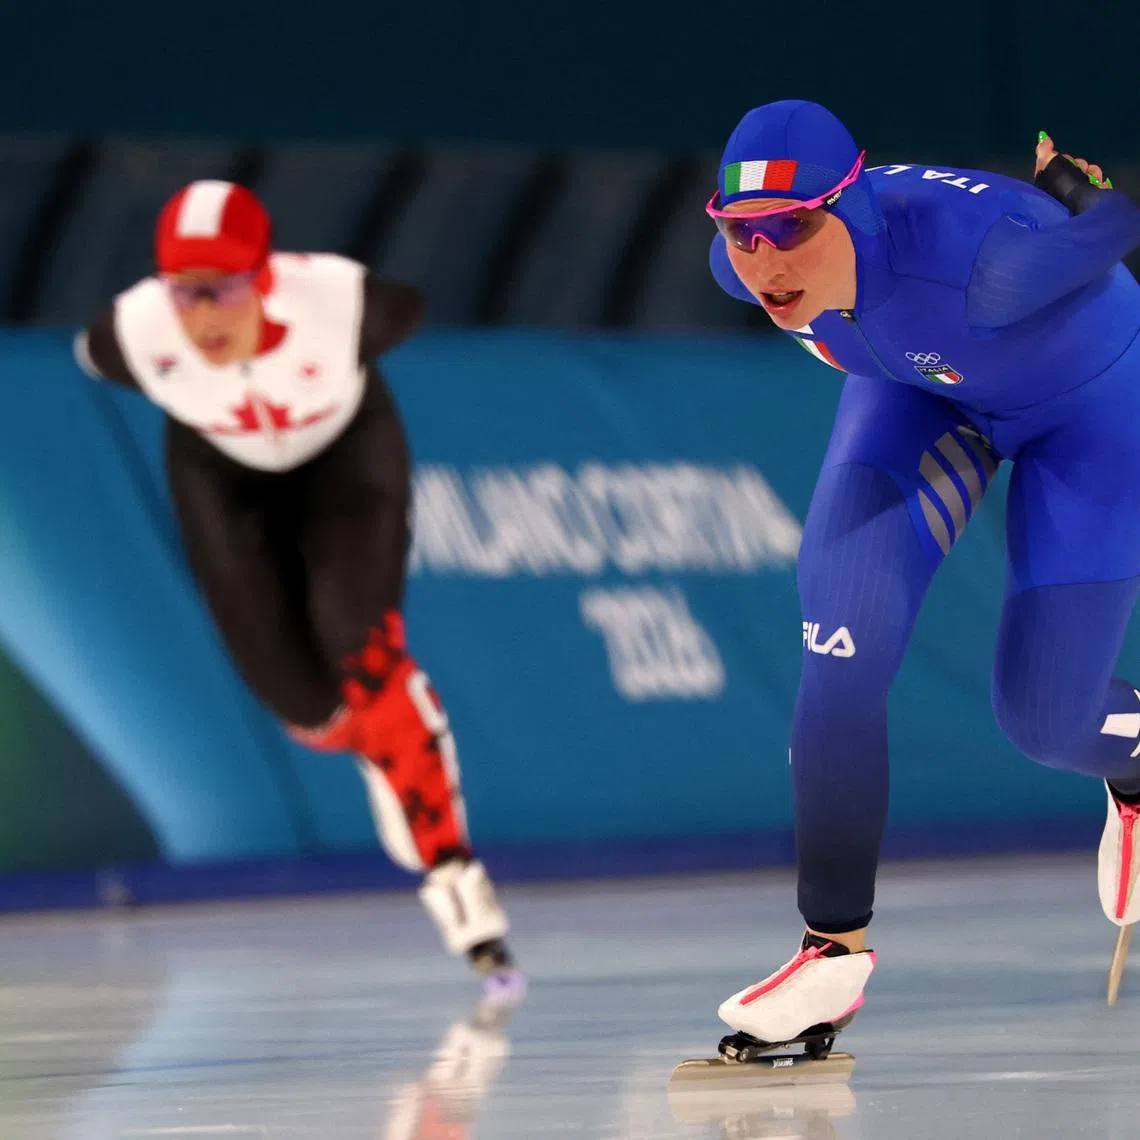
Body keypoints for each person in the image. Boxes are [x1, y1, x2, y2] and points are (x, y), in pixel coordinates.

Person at [705, 100, 1140, 1047]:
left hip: (1092, 412)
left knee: (1046, 722)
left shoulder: (989, 264)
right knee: (840, 640)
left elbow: (1116, 228)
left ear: (845, 204)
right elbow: (765, 255)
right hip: (920, 394)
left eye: (791, 229)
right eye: (743, 234)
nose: (766, 262)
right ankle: (831, 953)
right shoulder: (745, 270)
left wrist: (1076, 188)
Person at [74, 180, 521, 996]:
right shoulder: (131, 335)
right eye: (184, 292)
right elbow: (92, 350)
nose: (203, 316)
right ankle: (379, 747)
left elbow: (415, 304)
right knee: (307, 710)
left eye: (223, 289)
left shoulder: (347, 304)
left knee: (364, 644)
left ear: (267, 275)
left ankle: (451, 863)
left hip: (345, 459)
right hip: (220, 474)